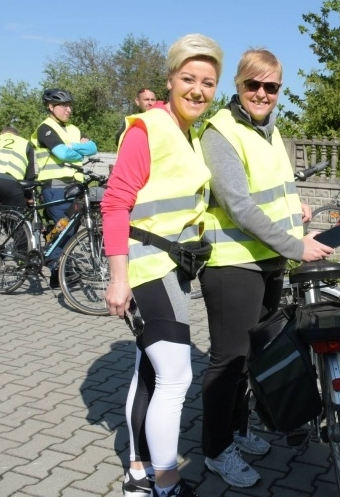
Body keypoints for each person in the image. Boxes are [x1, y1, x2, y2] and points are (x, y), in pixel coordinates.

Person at [198, 48, 333, 488]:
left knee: (252, 357)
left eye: (270, 86)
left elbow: (272, 192)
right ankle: (216, 449)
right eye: (252, 84)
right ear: (238, 85)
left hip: (267, 261)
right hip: (233, 264)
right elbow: (239, 206)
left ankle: (237, 430)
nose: (261, 93)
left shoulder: (269, 131)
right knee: (228, 361)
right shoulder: (221, 132)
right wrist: (296, 246)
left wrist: (297, 212)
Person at [102, 33, 224, 497]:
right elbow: (115, 204)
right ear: (170, 79)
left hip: (172, 267)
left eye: (208, 83)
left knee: (150, 370)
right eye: (189, 79)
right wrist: (118, 279)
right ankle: (167, 482)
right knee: (176, 376)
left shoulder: (187, 132)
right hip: (147, 267)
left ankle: (138, 471)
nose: (198, 90)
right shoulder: (147, 129)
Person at [30, 88, 98, 288]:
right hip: (55, 185)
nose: (68, 109)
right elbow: (63, 154)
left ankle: (58, 271)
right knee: (63, 229)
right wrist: (78, 148)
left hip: (75, 185)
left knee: (68, 229)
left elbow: (93, 148)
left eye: (69, 105)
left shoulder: (74, 129)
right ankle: (57, 268)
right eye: (63, 106)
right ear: (51, 107)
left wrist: (71, 147)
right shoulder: (45, 128)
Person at [0, 126, 37, 222]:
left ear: (1, 134)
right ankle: (19, 231)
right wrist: (28, 196)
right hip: (9, 180)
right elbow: (30, 175)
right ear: (16, 135)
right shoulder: (24, 143)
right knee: (18, 219)